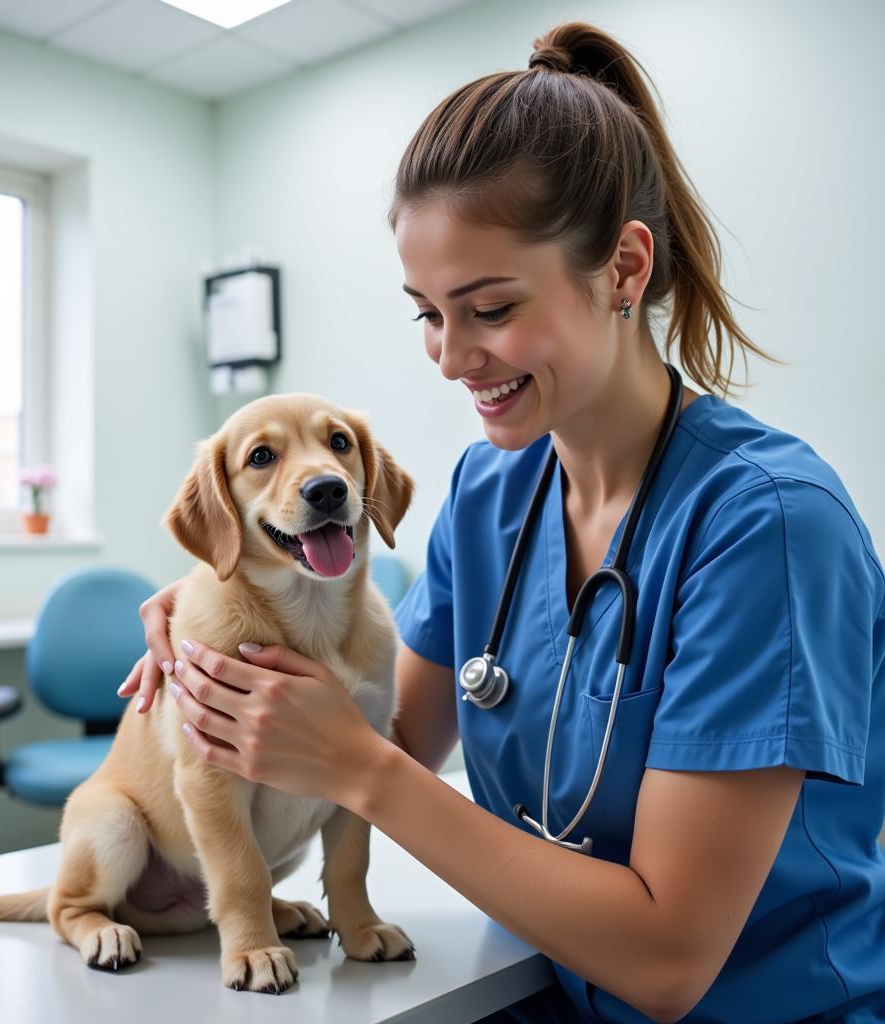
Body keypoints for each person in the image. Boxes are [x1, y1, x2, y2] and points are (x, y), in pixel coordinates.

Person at [117, 20, 885, 1024]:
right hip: (543, 989)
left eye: (487, 307)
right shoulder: (489, 493)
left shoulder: (767, 526)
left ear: (621, 268)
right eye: (427, 312)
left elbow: (666, 959)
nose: (448, 354)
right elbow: (387, 729)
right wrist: (235, 606)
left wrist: (358, 765)